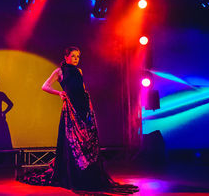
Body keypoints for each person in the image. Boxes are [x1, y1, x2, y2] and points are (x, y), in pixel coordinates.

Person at [19, 46, 138, 194]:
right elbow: (45, 86)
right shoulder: (59, 71)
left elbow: (82, 89)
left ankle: (88, 173)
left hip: (84, 107)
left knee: (87, 140)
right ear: (66, 57)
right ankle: (74, 174)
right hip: (71, 109)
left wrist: (88, 106)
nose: (76, 59)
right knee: (73, 141)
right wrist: (59, 93)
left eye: (78, 56)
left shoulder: (79, 71)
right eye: (73, 56)